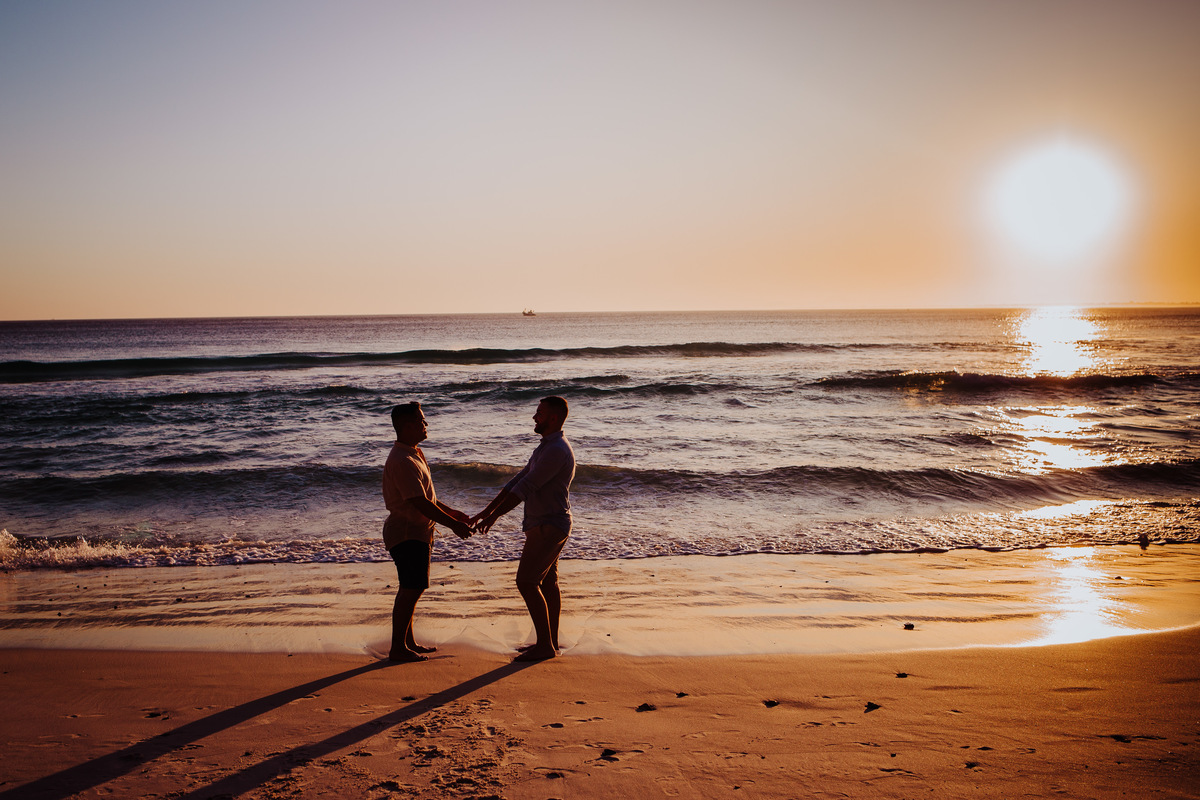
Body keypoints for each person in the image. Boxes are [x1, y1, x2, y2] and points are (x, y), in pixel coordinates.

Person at [473, 396, 576, 661]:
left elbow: (525, 488)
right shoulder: (546, 447)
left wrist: (494, 517)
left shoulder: (556, 450)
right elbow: (517, 481)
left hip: (550, 524)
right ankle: (548, 641)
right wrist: (487, 511)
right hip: (545, 523)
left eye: (539, 413)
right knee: (547, 582)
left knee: (527, 582)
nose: (534, 417)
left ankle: (545, 646)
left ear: (553, 418)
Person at [381, 402, 472, 662]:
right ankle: (398, 648)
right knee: (410, 588)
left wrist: (452, 513)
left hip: (418, 531)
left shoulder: (414, 453)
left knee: (414, 587)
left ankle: (407, 642)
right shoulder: (403, 460)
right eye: (422, 421)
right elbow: (418, 502)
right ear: (407, 426)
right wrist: (453, 525)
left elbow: (427, 498)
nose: (426, 425)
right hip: (406, 532)